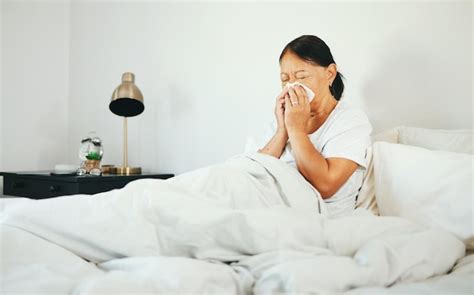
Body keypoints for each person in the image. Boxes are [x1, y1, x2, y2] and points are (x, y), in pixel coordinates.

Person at [258, 35, 372, 217]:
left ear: (330, 74)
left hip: (318, 220)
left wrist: (296, 130)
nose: (291, 85)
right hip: (269, 209)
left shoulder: (350, 120)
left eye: (301, 76)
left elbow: (326, 185)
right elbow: (253, 173)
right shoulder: (283, 120)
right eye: (285, 79)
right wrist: (283, 130)